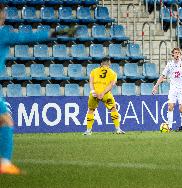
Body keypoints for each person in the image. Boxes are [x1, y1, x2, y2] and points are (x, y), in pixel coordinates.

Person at [0, 4, 76, 175]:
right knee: (6, 121)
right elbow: (27, 37)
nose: (4, 17)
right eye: (2, 14)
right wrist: (57, 33)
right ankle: (4, 163)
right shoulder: (2, 33)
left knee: (3, 120)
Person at [152, 47, 182, 132]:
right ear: (173, 54)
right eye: (175, 53)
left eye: (178, 53)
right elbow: (163, 76)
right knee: (170, 107)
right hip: (173, 89)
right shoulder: (169, 64)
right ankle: (169, 127)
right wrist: (155, 86)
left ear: (180, 54)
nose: (177, 54)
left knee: (181, 109)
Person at [84, 58, 125, 135]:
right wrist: (103, 93)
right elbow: (111, 85)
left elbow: (91, 83)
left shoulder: (93, 71)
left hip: (94, 93)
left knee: (91, 110)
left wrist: (93, 91)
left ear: (101, 63)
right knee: (113, 108)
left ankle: (88, 131)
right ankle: (118, 129)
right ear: (109, 64)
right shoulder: (113, 73)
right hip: (106, 94)